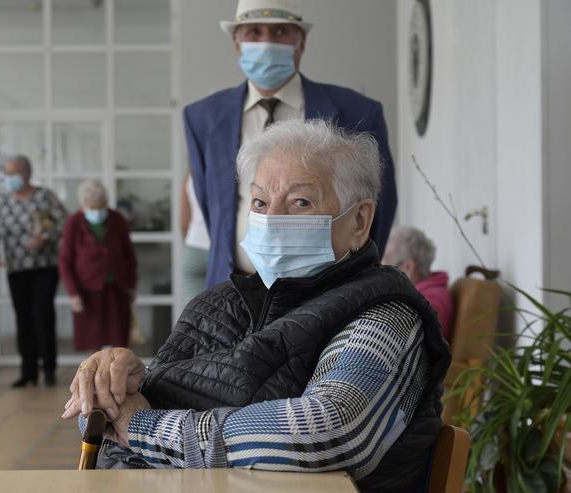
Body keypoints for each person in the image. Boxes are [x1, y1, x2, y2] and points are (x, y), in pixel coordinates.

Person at [62, 120, 450, 493]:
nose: (273, 219)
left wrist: (144, 429)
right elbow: (111, 424)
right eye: (261, 201)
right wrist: (114, 382)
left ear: (360, 221)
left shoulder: (386, 314)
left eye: (300, 202)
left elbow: (329, 430)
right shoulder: (218, 304)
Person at [184, 0, 397, 288]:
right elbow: (213, 210)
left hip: (328, 291)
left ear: (302, 41)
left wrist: (354, 280)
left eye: (281, 31)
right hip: (234, 288)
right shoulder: (202, 118)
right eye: (254, 32)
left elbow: (378, 210)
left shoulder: (357, 113)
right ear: (236, 43)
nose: (267, 42)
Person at [0, 155, 67, 387]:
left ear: (26, 173)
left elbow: (64, 223)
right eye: (6, 173)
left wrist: (45, 237)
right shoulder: (3, 202)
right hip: (16, 268)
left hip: (44, 267)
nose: (9, 178)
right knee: (23, 318)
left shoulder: (44, 196)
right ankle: (28, 370)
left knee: (42, 315)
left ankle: (49, 368)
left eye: (13, 173)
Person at [58, 181, 137, 352]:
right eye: (92, 207)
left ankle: (118, 376)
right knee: (92, 340)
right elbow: (65, 261)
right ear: (83, 205)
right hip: (87, 290)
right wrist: (73, 294)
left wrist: (131, 285)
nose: (97, 211)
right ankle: (94, 378)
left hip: (117, 286)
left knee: (119, 339)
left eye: (101, 206)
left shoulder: (116, 219)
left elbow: (129, 255)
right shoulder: (73, 223)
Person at [383, 226, 455, 340]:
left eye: (386, 266)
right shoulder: (424, 294)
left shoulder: (428, 302)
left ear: (408, 268)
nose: (382, 274)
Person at [179, 171, 210, 303]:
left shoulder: (191, 174)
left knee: (195, 315)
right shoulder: (231, 169)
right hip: (224, 251)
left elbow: (184, 222)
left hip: (194, 248)